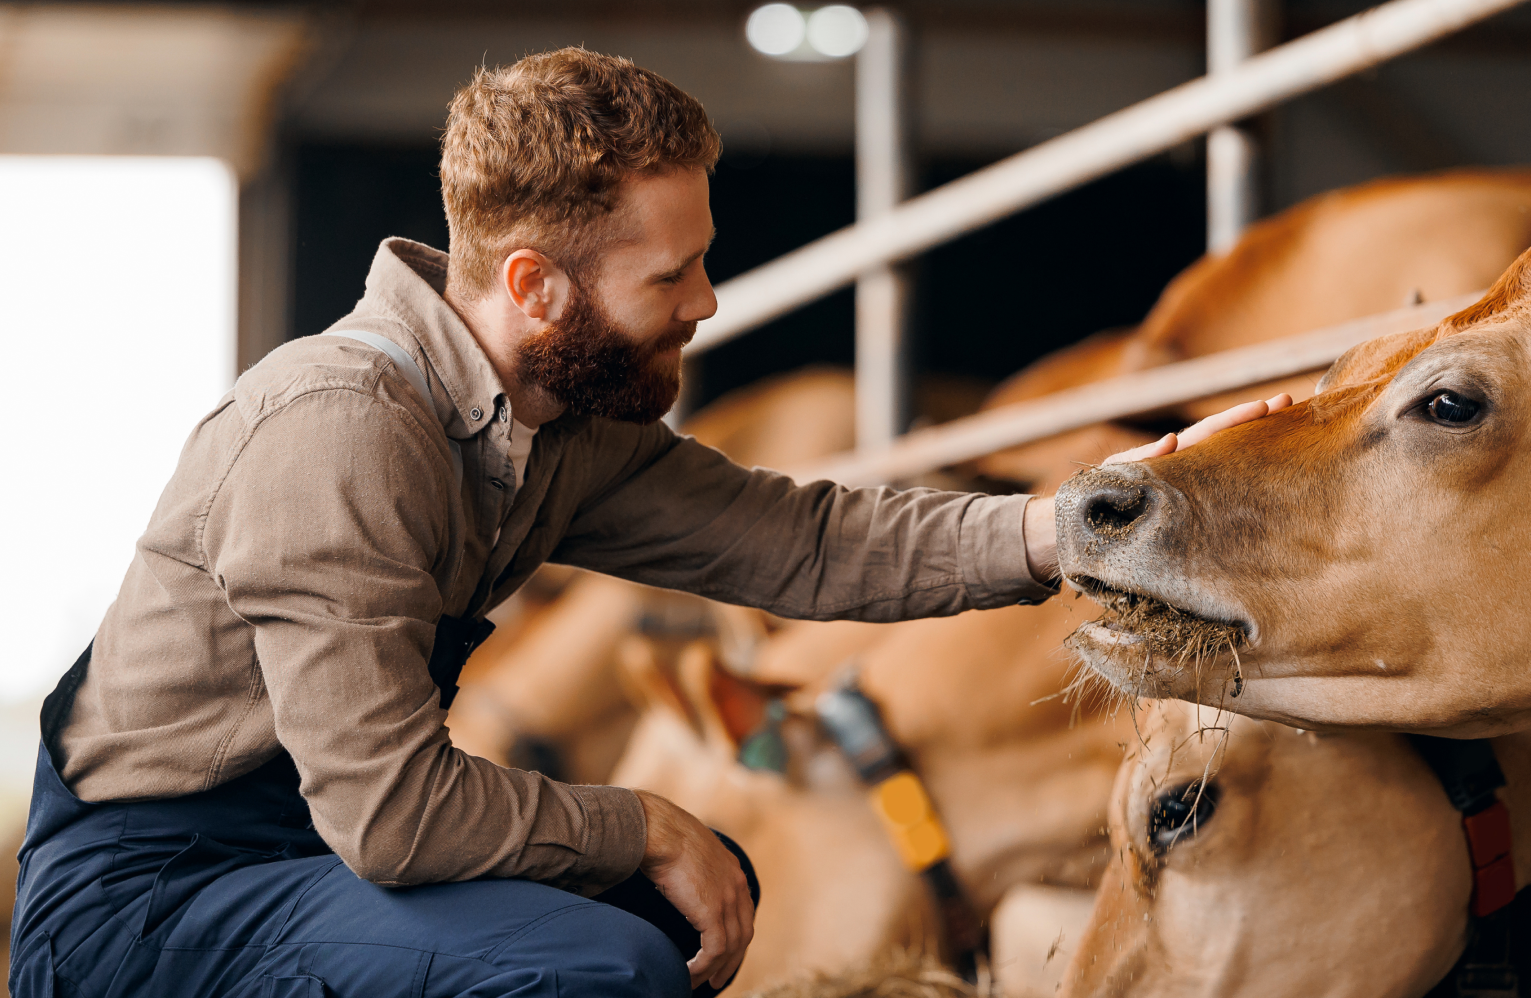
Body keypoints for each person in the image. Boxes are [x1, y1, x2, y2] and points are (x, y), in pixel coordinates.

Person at [10, 48, 1288, 998]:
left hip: (301, 850)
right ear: (534, 285)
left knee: (666, 910)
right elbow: (393, 817)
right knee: (599, 959)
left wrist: (1073, 529)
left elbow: (812, 542)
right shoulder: (341, 432)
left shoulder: (555, 425)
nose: (708, 299)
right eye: (669, 273)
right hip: (150, 895)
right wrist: (640, 819)